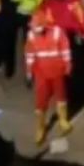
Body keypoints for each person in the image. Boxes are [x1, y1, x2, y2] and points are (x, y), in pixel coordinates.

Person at [37, 0, 84, 101]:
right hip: (53, 38)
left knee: (73, 66)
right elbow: (40, 18)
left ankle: (74, 92)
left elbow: (82, 18)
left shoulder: (74, 0)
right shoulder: (47, 2)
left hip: (72, 37)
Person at [24, 13, 72, 145]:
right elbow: (29, 55)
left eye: (38, 27)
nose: (36, 30)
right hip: (41, 73)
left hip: (58, 71)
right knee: (40, 101)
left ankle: (63, 120)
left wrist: (68, 66)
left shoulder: (57, 32)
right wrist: (29, 74)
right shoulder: (31, 35)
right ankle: (40, 127)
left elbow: (65, 49)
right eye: (34, 27)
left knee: (61, 96)